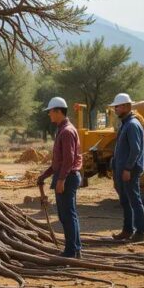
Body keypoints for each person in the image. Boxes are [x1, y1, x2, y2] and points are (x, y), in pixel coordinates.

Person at [36, 97, 83, 259]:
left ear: (58, 111)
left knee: (67, 215)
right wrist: (45, 175)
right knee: (68, 214)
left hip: (67, 178)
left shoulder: (67, 131)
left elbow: (69, 160)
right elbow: (60, 161)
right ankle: (75, 249)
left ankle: (71, 251)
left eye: (50, 111)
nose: (49, 114)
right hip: (66, 176)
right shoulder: (63, 130)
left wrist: (61, 180)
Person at [110, 93, 144, 242]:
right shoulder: (126, 123)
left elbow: (135, 150)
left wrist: (127, 169)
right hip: (122, 169)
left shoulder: (132, 125)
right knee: (125, 201)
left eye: (117, 106)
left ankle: (140, 232)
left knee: (134, 200)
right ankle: (127, 230)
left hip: (128, 170)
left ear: (125, 106)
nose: (115, 109)